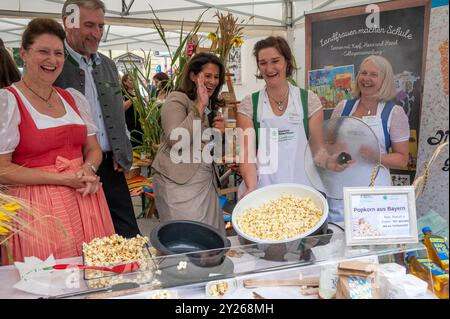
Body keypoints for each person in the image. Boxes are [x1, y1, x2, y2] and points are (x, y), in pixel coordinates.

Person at [0, 18, 115, 264]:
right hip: (37, 211)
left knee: (94, 275)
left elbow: (94, 149)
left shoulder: (73, 98)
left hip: (86, 199)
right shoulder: (8, 101)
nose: (52, 60)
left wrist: (88, 168)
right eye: (43, 51)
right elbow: (2, 169)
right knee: (49, 279)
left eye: (58, 53)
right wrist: (62, 178)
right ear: (24, 54)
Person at [55, 0, 140, 238]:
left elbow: (115, 113)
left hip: (111, 164)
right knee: (86, 236)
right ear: (68, 23)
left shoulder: (109, 65)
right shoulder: (55, 64)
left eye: (101, 26)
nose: (97, 34)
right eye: (89, 25)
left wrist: (122, 150)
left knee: (128, 234)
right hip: (73, 167)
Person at [237, 36, 325, 199]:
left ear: (287, 62)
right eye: (263, 63)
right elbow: (246, 154)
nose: (269, 68)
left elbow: (318, 150)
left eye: (275, 61)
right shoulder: (249, 105)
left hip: (305, 192)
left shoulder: (308, 101)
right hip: (264, 191)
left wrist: (332, 161)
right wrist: (251, 187)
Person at [326, 55, 410, 221]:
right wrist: (336, 150)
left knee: (371, 238)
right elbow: (327, 144)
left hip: (375, 193)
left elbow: (402, 159)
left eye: (373, 74)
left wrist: (374, 156)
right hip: (340, 189)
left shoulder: (394, 113)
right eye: (363, 73)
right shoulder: (343, 107)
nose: (366, 79)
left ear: (384, 80)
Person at [151, 53, 226, 235]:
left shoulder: (210, 107)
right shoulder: (176, 99)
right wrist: (199, 107)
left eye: (216, 77)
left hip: (205, 183)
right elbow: (176, 139)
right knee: (186, 239)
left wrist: (220, 134)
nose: (213, 81)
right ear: (193, 76)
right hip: (177, 183)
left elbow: (215, 153)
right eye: (207, 76)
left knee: (210, 239)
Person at [121, 73, 143, 147]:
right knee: (133, 145)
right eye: (131, 80)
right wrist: (133, 99)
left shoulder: (136, 93)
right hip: (130, 126)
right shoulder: (123, 93)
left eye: (134, 80)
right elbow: (123, 107)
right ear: (125, 82)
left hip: (139, 124)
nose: (134, 82)